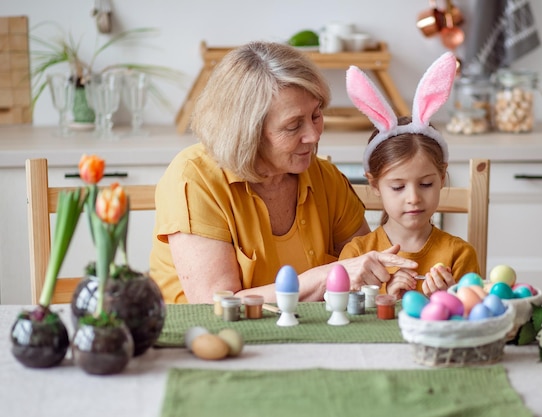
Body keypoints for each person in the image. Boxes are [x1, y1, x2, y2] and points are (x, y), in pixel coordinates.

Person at [149, 41, 418, 304]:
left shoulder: (325, 178)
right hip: (208, 342)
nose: (313, 136)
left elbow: (366, 268)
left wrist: (393, 281)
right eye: (293, 126)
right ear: (247, 133)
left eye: (316, 115)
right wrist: (325, 278)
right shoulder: (194, 178)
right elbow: (215, 304)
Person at [339, 52, 480, 299]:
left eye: (426, 184)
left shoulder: (460, 254)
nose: (413, 198)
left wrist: (450, 298)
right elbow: (347, 323)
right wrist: (388, 297)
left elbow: (473, 315)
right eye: (397, 187)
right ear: (374, 184)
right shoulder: (357, 255)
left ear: (442, 176)